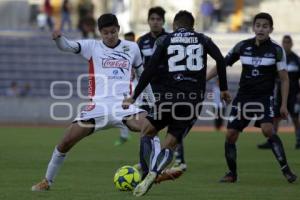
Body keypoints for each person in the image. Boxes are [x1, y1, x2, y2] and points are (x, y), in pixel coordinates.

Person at [31, 13, 177, 192]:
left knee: (150, 128)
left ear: (119, 30)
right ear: (100, 32)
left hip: (124, 106)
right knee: (66, 142)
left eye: (113, 32)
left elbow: (142, 76)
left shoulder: (131, 48)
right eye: (106, 33)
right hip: (97, 107)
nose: (110, 36)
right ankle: (47, 181)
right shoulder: (91, 46)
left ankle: (155, 172)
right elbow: (67, 46)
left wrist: (152, 102)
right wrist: (58, 39)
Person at [123, 10, 230, 196]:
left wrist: (134, 95)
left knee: (147, 132)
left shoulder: (166, 40)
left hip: (168, 97)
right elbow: (221, 60)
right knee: (170, 144)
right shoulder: (203, 39)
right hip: (192, 100)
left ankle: (148, 172)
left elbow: (149, 70)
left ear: (174, 25)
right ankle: (155, 173)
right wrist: (224, 89)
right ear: (192, 26)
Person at [207, 13, 297, 183]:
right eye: (258, 25)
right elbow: (222, 64)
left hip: (264, 98)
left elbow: (285, 79)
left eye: (265, 26)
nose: (261, 29)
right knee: (231, 134)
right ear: (253, 27)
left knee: (267, 130)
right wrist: (203, 79)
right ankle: (232, 174)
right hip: (243, 98)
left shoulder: (276, 51)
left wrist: (283, 105)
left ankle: (286, 170)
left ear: (271, 29)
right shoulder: (242, 46)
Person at [137, 6, 187, 171]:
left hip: (168, 87)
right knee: (148, 125)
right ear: (148, 21)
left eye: (158, 19)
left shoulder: (171, 38)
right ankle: (150, 161)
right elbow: (137, 63)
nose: (155, 22)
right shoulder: (141, 41)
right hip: (149, 89)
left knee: (173, 125)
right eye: (152, 19)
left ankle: (179, 159)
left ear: (164, 22)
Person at [257, 35, 300, 150]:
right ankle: (272, 141)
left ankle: (298, 139)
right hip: (279, 94)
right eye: (284, 42)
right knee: (275, 118)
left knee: (295, 118)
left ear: (291, 44)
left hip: (294, 94)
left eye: (288, 42)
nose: (286, 44)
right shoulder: (279, 58)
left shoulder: (297, 60)